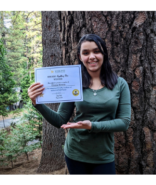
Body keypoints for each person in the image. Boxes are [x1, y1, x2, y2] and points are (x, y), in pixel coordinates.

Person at [28, 34, 131, 174]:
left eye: (96, 51)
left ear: (104, 53)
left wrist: (92, 126)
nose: (92, 57)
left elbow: (124, 123)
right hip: (75, 153)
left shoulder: (120, 84)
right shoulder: (73, 83)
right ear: (80, 57)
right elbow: (60, 120)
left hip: (103, 156)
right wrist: (37, 103)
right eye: (86, 53)